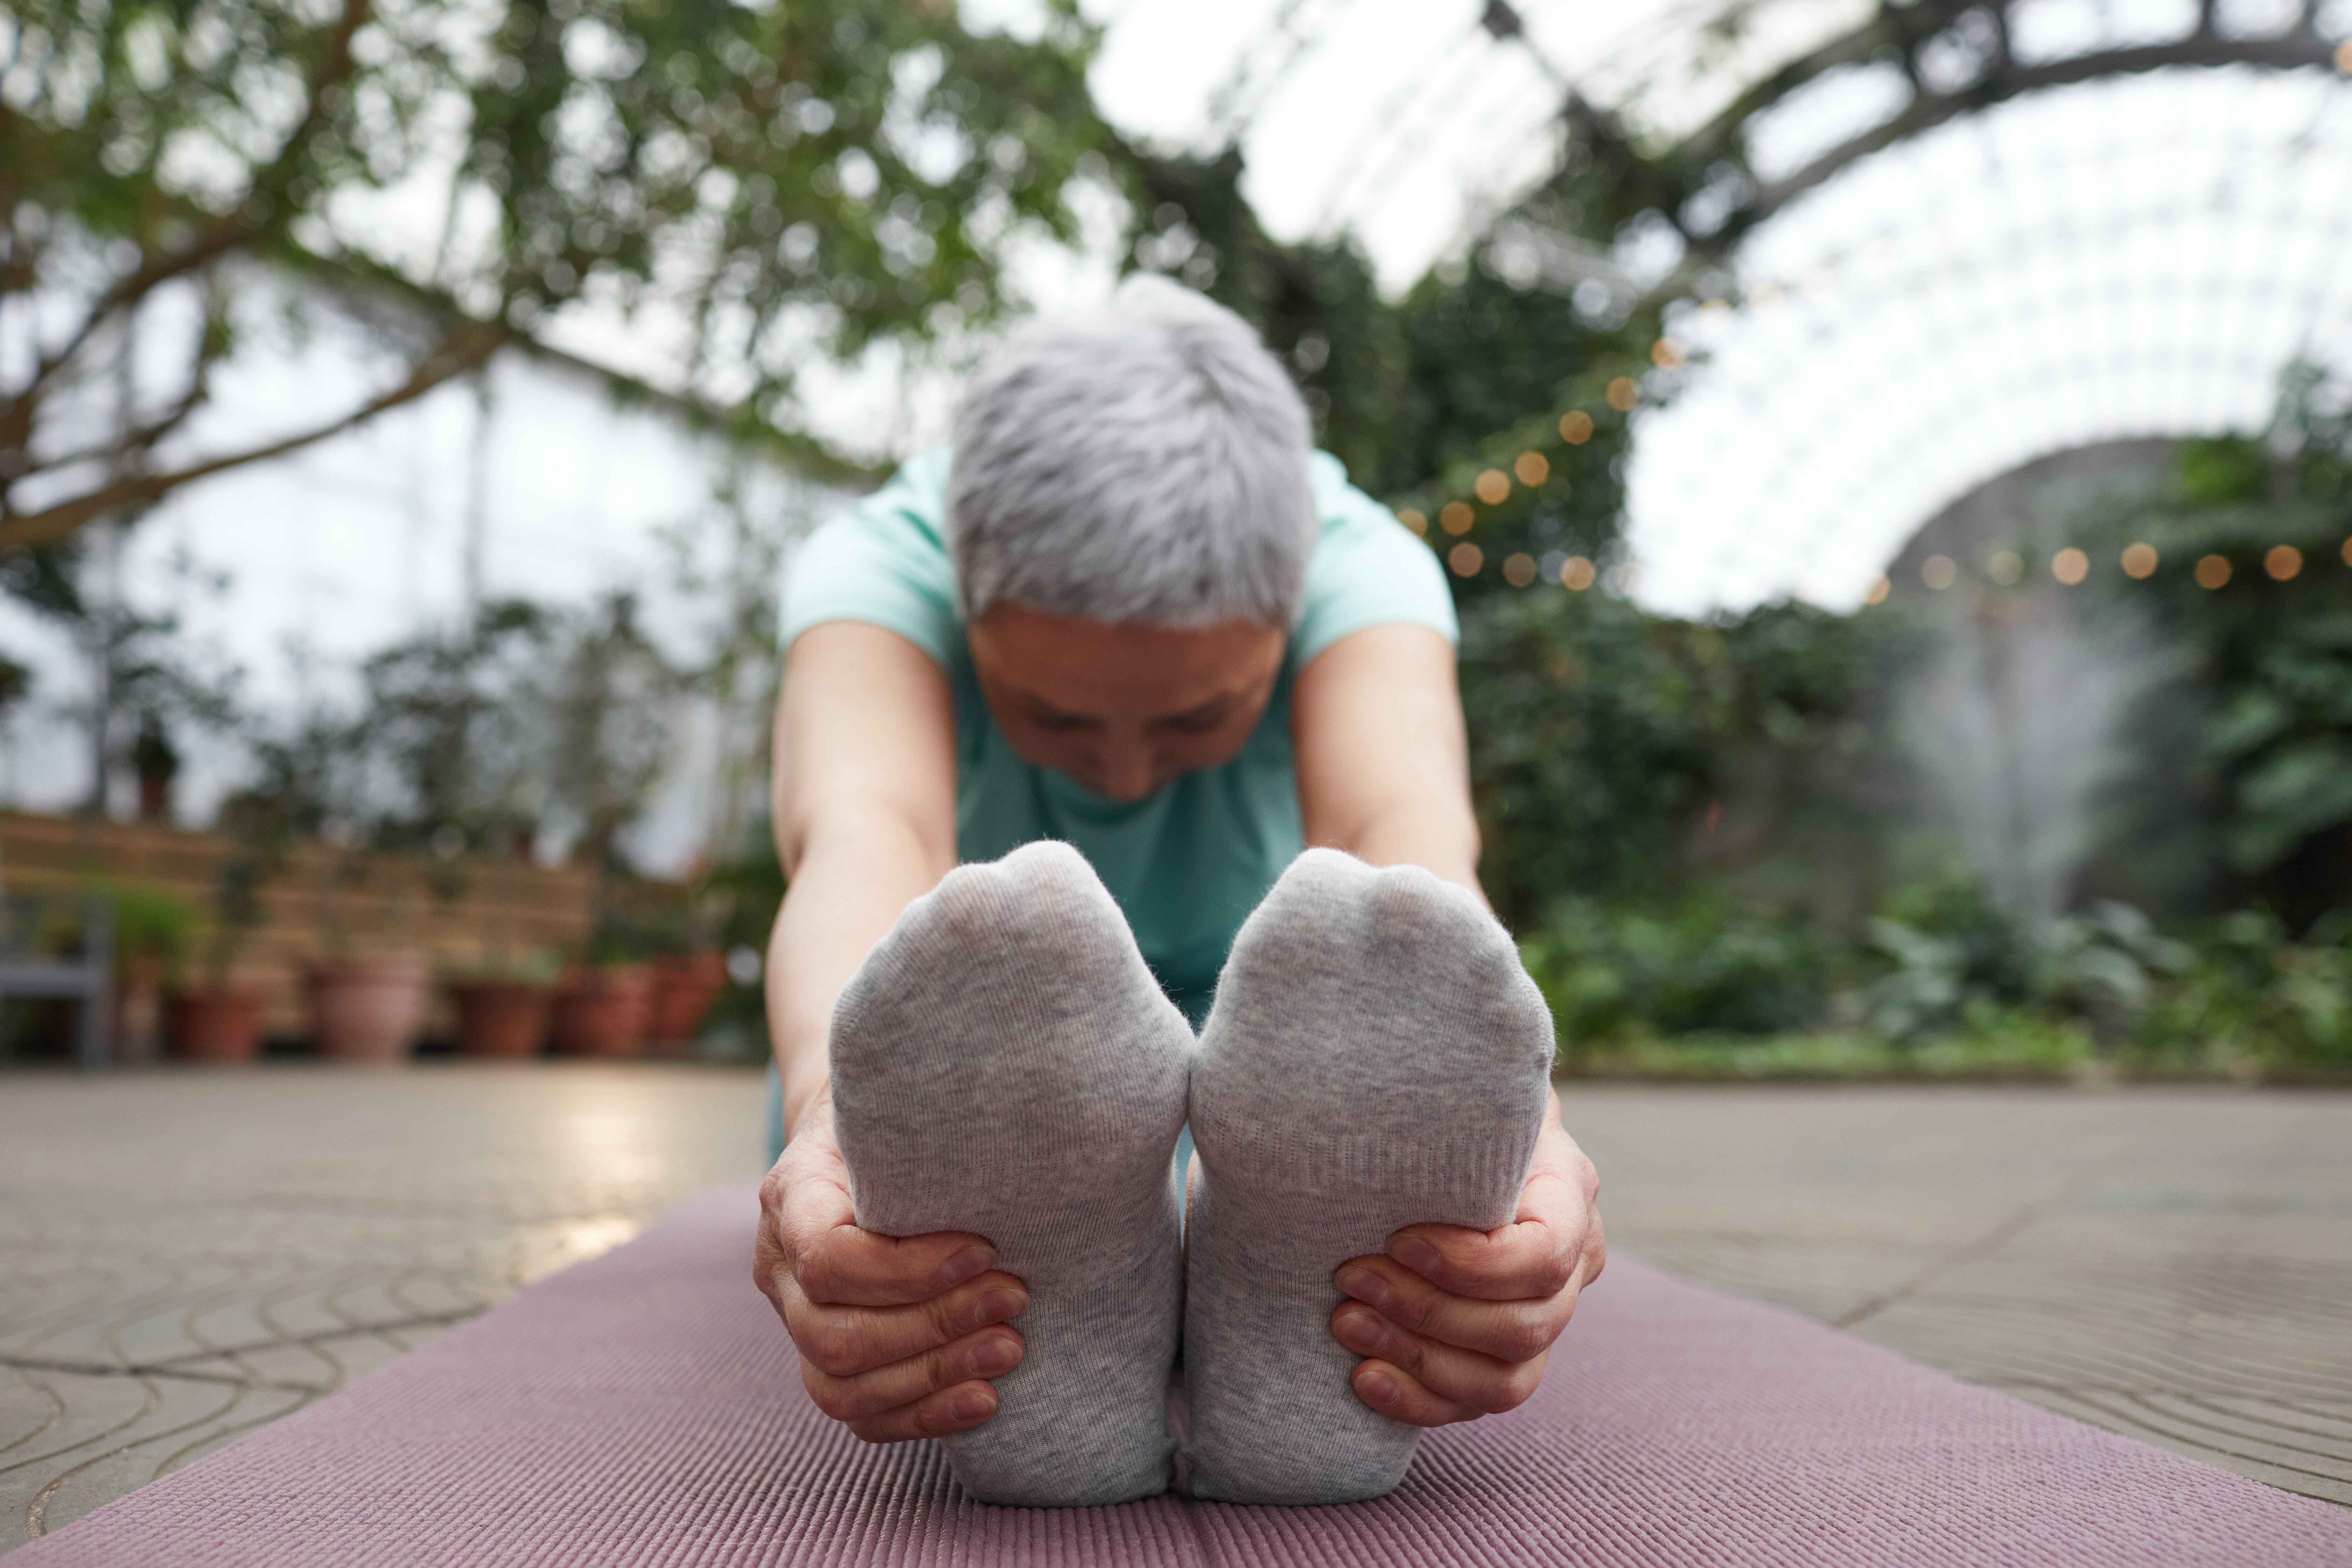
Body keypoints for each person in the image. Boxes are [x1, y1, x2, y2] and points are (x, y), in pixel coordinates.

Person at [751, 276, 1605, 1497]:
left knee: (1294, 1105)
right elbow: (863, 830)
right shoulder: (878, 564)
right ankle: (1128, 1254)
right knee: (976, 1127)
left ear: (1291, 607)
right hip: (964, 1059)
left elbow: (1402, 845)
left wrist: (1527, 1138)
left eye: (1200, 714)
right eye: (1051, 712)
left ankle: (1223, 1259)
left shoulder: (1365, 565)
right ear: (964, 596)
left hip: (1267, 1048)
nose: (1125, 774)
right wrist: (830, 1115)